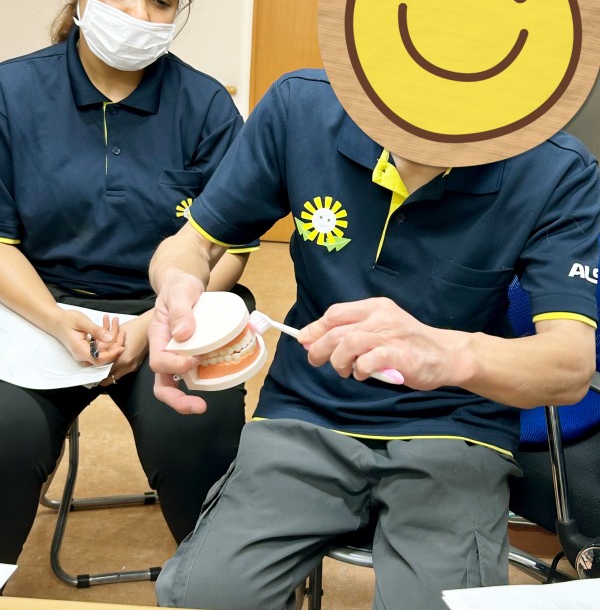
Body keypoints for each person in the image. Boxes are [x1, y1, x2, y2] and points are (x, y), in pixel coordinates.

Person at [148, 69, 599, 610]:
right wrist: (175, 290)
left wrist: (446, 353)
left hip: (454, 426)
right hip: (305, 411)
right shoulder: (302, 107)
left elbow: (570, 366)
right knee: (203, 598)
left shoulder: (554, 167)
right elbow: (193, 245)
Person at [0, 0, 257, 566]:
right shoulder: (11, 95)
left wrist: (152, 326)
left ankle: (221, 580)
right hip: (38, 310)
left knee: (199, 436)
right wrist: (56, 321)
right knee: (3, 436)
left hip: (174, 315)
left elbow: (228, 250)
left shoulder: (205, 106)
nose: (138, 14)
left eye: (160, 0)